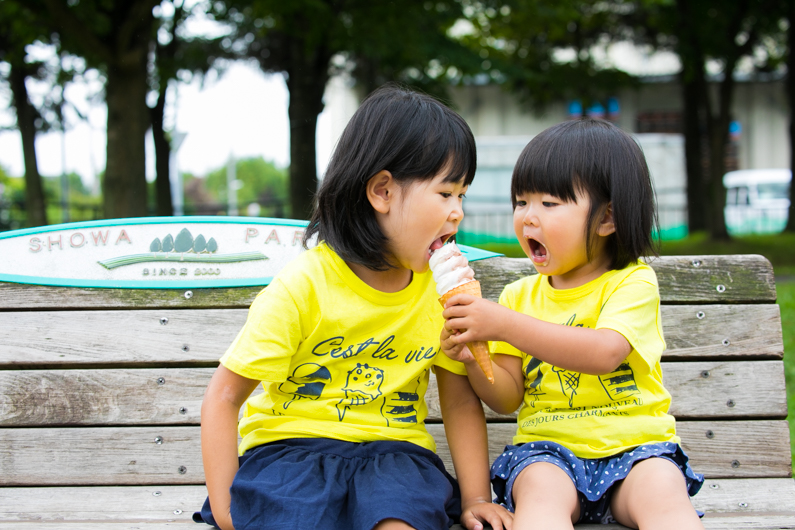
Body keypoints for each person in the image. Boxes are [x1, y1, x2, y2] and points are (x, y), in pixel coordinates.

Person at [195, 84, 512, 530]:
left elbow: (459, 402)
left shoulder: (438, 295)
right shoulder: (304, 284)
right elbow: (225, 397)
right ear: (382, 192)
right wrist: (227, 510)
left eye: (462, 195)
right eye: (445, 193)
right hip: (292, 452)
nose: (457, 211)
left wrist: (476, 497)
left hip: (395, 456)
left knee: (400, 519)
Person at [439, 118, 704, 529]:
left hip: (636, 449)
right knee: (539, 497)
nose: (528, 217)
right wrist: (476, 358)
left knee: (664, 494)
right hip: (548, 453)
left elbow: (605, 352)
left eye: (548, 204)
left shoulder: (631, 282)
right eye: (521, 202)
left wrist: (505, 325)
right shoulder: (518, 297)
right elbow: (508, 399)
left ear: (606, 219)